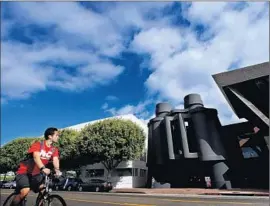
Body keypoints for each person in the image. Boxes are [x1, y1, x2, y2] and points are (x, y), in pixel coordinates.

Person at [10, 127, 62, 206]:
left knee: (43, 190)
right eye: (57, 135)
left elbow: (55, 160)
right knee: (25, 190)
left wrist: (57, 170)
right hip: (24, 172)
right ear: (50, 136)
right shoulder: (38, 145)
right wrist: (43, 168)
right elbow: (36, 157)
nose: (58, 137)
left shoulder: (54, 149)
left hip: (36, 174)